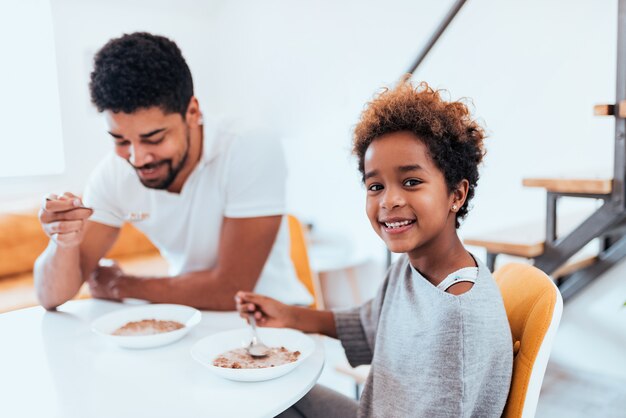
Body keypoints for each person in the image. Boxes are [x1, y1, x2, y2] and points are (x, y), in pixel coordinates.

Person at [236, 80, 513, 417]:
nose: (389, 200)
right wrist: (290, 315)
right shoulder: (417, 268)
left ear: (456, 194)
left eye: (411, 182)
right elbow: (373, 325)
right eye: (376, 186)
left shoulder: (455, 323)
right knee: (268, 391)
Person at [34, 32, 312, 310]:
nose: (137, 157)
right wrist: (64, 242)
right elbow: (51, 297)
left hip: (278, 322)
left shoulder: (249, 145)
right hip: (189, 320)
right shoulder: (114, 173)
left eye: (154, 138)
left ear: (192, 112)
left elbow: (231, 289)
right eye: (120, 140)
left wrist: (122, 284)